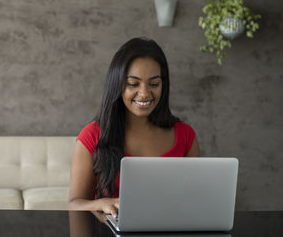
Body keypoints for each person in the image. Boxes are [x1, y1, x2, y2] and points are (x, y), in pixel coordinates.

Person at [68, 37, 200, 216]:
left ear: (164, 84)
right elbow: (74, 204)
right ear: (117, 85)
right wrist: (102, 203)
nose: (144, 93)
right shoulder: (92, 135)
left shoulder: (185, 135)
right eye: (133, 84)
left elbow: (197, 198)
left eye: (154, 84)